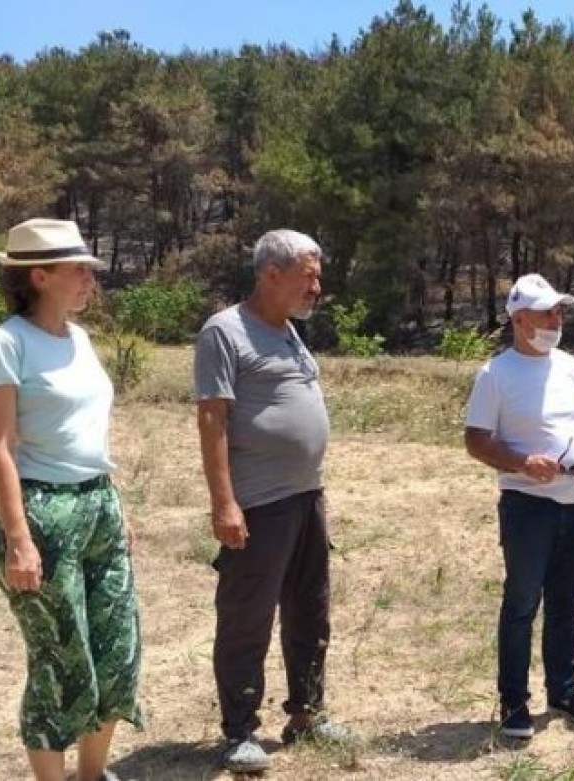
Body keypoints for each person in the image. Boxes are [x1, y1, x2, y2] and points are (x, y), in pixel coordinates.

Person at [0, 218, 143, 781]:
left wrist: (115, 505)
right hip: (41, 514)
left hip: (97, 505)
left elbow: (89, 434)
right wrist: (19, 539)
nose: (88, 280)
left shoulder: (81, 339)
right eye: (77, 270)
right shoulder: (6, 343)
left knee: (117, 655)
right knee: (59, 664)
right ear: (39, 276)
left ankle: (92, 775)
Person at [194, 229, 349, 774]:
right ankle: (239, 730)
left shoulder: (288, 332)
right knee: (246, 616)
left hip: (307, 496)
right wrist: (224, 503)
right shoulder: (226, 332)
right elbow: (212, 419)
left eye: (318, 275)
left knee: (311, 607)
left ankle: (306, 712)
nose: (317, 286)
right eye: (308, 275)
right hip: (259, 502)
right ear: (270, 273)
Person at [463, 273, 574, 739]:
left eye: (560, 311)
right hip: (528, 506)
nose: (557, 319)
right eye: (548, 312)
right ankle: (513, 701)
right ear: (520, 319)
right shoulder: (495, 374)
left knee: (566, 604)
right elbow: (476, 440)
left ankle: (564, 692)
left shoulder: (571, 366)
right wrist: (524, 463)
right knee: (523, 604)